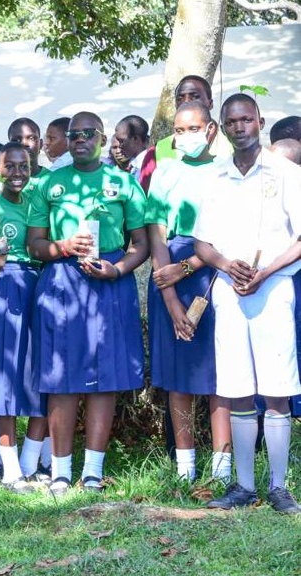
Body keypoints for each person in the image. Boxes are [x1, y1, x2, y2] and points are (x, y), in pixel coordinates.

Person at [26, 112, 148, 495]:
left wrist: (117, 270)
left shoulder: (123, 182)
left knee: (104, 379)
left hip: (109, 283)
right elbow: (34, 244)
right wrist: (61, 247)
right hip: (62, 282)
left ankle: (92, 470)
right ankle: (61, 471)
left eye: (87, 134)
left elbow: (141, 243)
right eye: (73, 134)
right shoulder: (49, 182)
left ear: (102, 137)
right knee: (61, 379)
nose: (79, 139)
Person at [193, 94, 301, 514]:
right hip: (229, 289)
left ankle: (278, 486)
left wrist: (266, 271)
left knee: (276, 388)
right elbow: (202, 241)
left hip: (272, 288)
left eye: (246, 120)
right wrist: (224, 264)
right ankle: (242, 485)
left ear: (260, 122)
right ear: (222, 127)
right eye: (232, 121)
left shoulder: (286, 173)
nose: (240, 127)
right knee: (237, 388)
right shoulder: (215, 176)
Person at [145, 102, 231, 484]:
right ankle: (184, 469)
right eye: (178, 131)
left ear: (211, 129)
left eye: (193, 128)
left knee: (219, 375)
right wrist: (170, 295)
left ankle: (222, 467)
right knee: (179, 376)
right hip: (171, 275)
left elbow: (230, 232)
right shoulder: (165, 173)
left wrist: (188, 267)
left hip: (213, 271)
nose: (185, 137)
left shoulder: (227, 171)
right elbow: (156, 233)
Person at [0, 143, 47, 493]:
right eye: (10, 167)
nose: (17, 173)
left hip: (35, 288)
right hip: (2, 292)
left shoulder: (36, 204)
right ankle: (11, 469)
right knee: (4, 378)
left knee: (37, 374)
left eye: (24, 166)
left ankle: (31, 463)